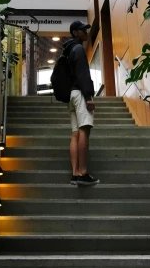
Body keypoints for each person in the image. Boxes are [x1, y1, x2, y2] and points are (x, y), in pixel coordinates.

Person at [62, 20, 99, 187]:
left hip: (70, 94)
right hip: (79, 93)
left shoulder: (69, 50)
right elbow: (83, 74)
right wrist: (89, 96)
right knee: (84, 129)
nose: (86, 32)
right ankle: (83, 173)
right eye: (83, 30)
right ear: (75, 32)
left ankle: (75, 173)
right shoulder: (78, 49)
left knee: (75, 133)